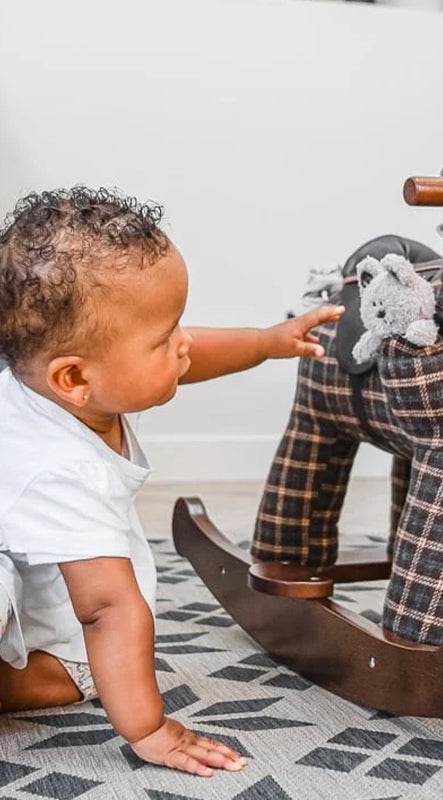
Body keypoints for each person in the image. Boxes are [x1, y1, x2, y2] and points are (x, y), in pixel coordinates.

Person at [0, 187, 344, 777]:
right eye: (164, 337)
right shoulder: (65, 468)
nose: (183, 343)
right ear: (75, 378)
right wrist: (150, 728)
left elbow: (192, 354)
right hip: (49, 625)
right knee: (75, 677)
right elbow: (107, 607)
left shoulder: (52, 383)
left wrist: (266, 342)